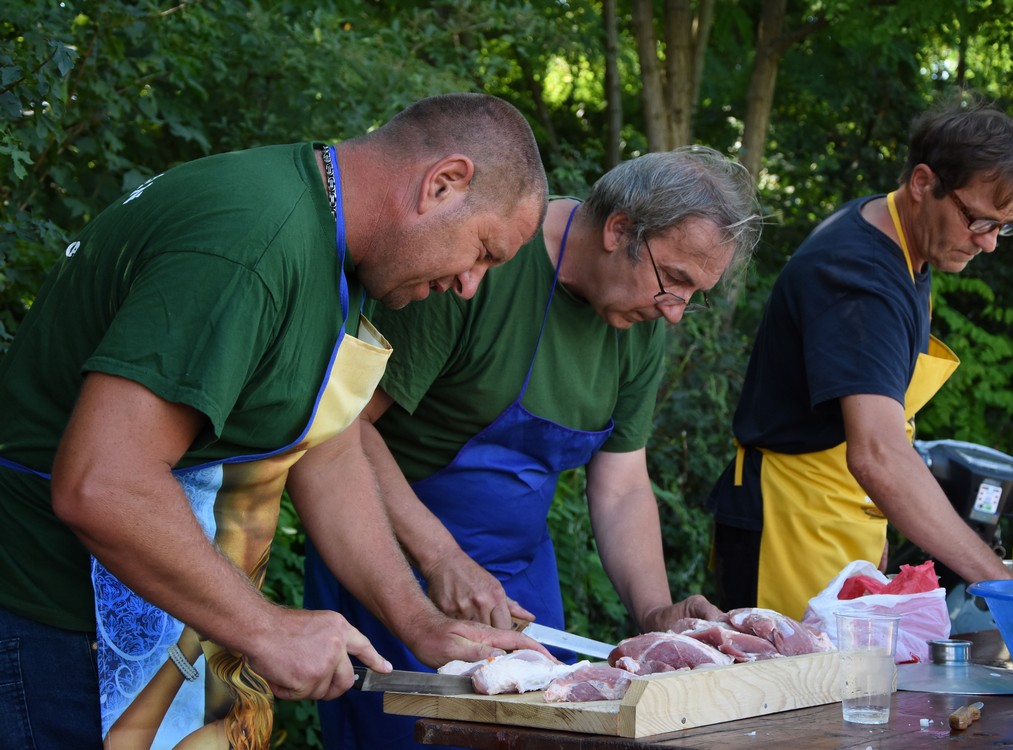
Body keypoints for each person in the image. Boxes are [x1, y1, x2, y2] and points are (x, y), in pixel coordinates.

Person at [0, 92, 553, 750]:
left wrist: (419, 621)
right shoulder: (252, 244)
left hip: (168, 624)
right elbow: (105, 483)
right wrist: (265, 628)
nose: (470, 286)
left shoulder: (339, 250)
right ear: (442, 184)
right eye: (484, 251)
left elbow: (326, 448)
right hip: (51, 630)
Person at [303, 146, 762, 749]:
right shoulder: (480, 260)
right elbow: (344, 426)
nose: (674, 314)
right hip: (394, 565)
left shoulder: (639, 321)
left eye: (691, 294)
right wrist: (441, 559)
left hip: (521, 581)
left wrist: (654, 616)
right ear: (619, 229)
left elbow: (622, 486)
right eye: (674, 280)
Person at [707, 98, 1013, 619]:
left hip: (839, 512)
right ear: (922, 183)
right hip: (790, 525)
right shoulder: (859, 277)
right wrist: (1003, 585)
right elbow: (878, 456)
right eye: (979, 220)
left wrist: (877, 518)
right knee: (792, 672)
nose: (990, 244)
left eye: (1006, 226)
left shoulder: (906, 241)